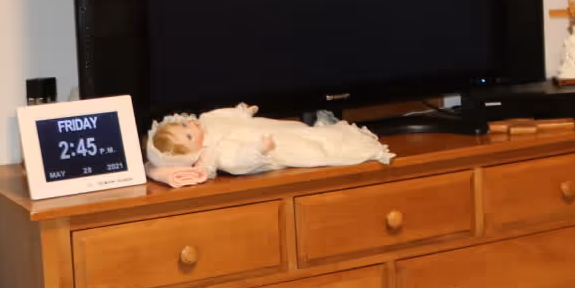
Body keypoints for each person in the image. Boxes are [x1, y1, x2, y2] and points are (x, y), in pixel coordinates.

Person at [145, 104, 393, 185]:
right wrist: (257, 150)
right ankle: (348, 143)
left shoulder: (207, 119)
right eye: (188, 137)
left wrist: (243, 113)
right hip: (271, 146)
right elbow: (237, 162)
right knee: (309, 146)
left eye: (185, 126)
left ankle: (324, 131)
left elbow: (226, 114)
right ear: (193, 153)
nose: (191, 128)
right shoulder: (217, 152)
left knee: (298, 130)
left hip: (270, 127)